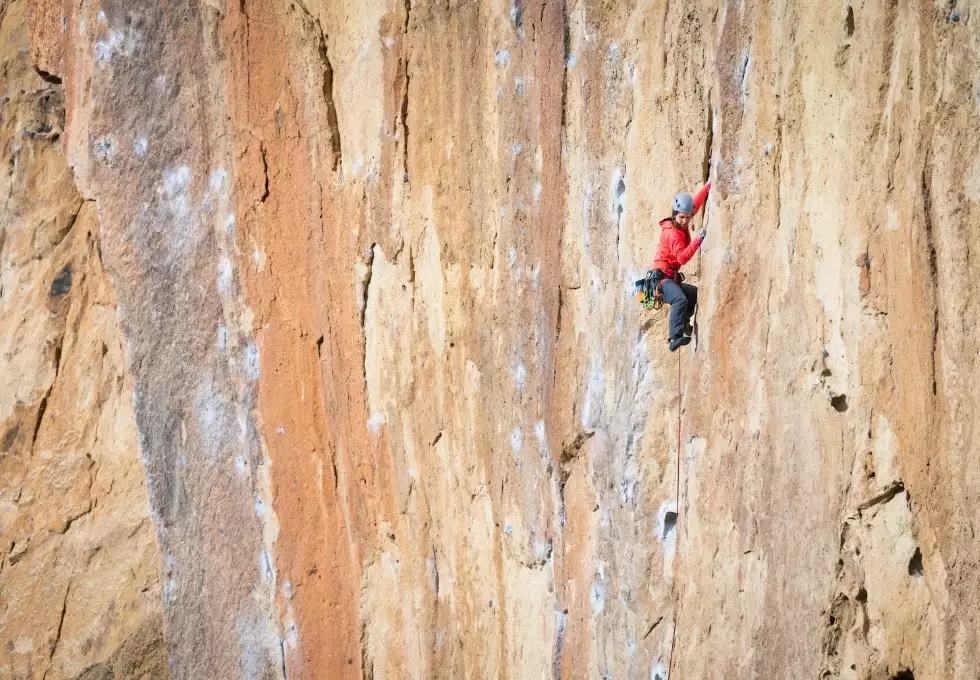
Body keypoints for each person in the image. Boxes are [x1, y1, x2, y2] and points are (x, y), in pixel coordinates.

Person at [653, 183, 709, 351]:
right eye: (682, 218)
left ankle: (684, 323)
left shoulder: (682, 222)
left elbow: (694, 205)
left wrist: (708, 186)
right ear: (675, 215)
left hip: (670, 277)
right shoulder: (672, 233)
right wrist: (697, 240)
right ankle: (674, 338)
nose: (685, 221)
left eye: (688, 217)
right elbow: (682, 258)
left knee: (694, 294)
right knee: (679, 299)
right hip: (662, 279)